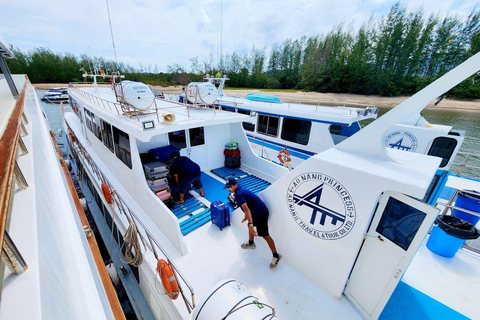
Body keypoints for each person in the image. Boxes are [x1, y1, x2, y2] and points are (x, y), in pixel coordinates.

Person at [224, 177, 282, 269]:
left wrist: (251, 224)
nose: (229, 189)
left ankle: (276, 256)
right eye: (227, 187)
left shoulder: (238, 194)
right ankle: (251, 243)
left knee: (264, 235)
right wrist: (246, 217)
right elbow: (248, 206)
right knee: (248, 225)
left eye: (230, 187)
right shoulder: (239, 191)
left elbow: (246, 209)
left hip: (261, 214)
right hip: (257, 212)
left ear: (235, 185)